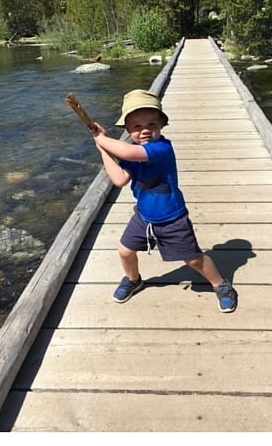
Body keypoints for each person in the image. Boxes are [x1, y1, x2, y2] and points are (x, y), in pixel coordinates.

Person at [90, 89, 238, 312]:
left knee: (194, 260)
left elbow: (127, 153)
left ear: (161, 126)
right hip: (144, 217)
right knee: (124, 251)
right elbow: (119, 179)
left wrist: (102, 138)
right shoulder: (134, 150)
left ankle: (220, 284)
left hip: (172, 219)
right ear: (128, 130)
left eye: (152, 124)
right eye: (137, 126)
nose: (145, 130)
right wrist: (101, 147)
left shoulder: (162, 148)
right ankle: (133, 279)